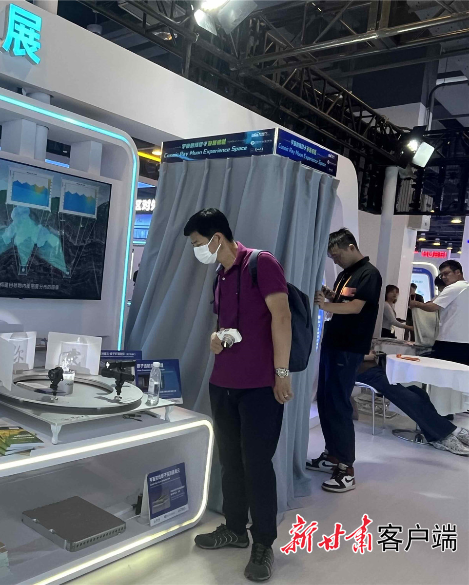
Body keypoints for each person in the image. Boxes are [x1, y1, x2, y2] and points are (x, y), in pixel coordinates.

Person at [184, 209, 292, 582]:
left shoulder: (261, 264)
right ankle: (234, 528)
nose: (197, 250)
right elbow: (226, 324)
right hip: (223, 382)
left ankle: (263, 542)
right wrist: (216, 338)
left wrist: (281, 373)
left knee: (257, 464)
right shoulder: (221, 274)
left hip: (260, 386)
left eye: (198, 243)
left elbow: (282, 318)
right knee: (230, 461)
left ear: (217, 237)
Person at [308, 228, 381, 493]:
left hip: (349, 348)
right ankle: (333, 455)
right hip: (333, 343)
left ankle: (346, 468)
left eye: (337, 255)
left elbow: (355, 307)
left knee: (338, 403)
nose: (335, 260)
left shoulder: (369, 274)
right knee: (326, 401)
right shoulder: (344, 274)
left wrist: (325, 305)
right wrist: (330, 295)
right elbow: (344, 300)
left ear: (351, 247)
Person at [357, 354, 469, 455]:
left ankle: (436, 436)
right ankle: (449, 432)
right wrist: (367, 354)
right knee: (406, 396)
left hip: (375, 370)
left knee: (419, 393)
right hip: (362, 372)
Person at [409, 260, 469, 366]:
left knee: (440, 371)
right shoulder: (466, 287)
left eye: (446, 273)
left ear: (457, 272)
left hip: (449, 340)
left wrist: (416, 304)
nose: (444, 277)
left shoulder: (454, 287)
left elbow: (432, 307)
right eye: (441, 275)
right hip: (465, 342)